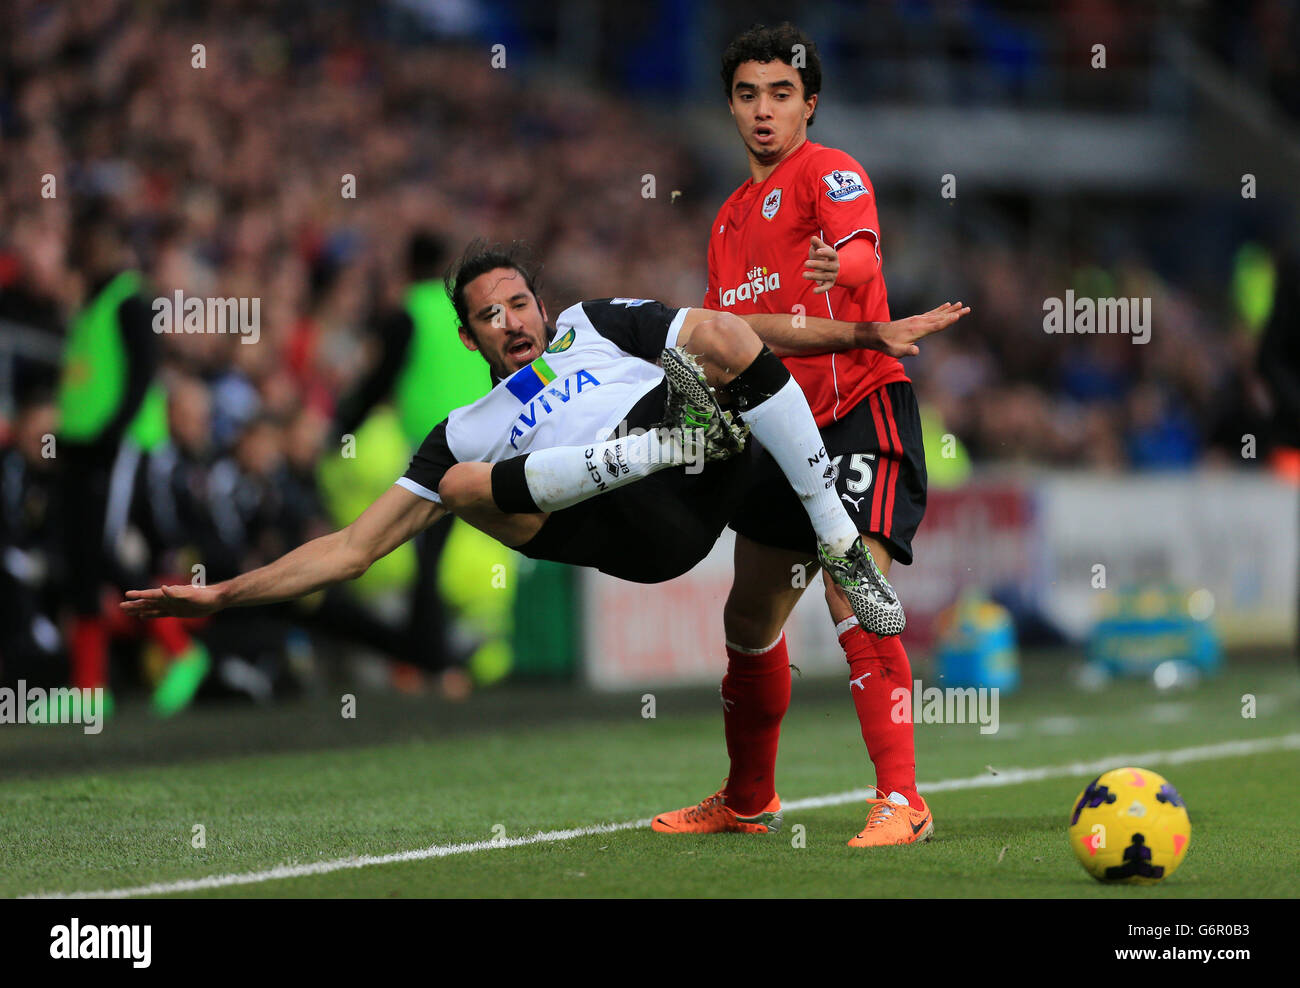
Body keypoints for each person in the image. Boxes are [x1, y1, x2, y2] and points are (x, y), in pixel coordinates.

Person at [123, 243, 966, 662]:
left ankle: (836, 538)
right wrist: (224, 594)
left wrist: (860, 333)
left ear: (540, 301)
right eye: (491, 316)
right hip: (636, 528)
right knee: (457, 483)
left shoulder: (592, 326)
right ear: (467, 335)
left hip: (707, 464)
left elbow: (743, 334)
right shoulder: (465, 426)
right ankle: (651, 448)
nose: (513, 321)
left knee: (707, 328)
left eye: (520, 302)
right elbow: (350, 549)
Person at [651, 24, 942, 847]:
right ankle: (749, 801)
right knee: (748, 620)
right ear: (730, 107)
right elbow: (727, 339)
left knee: (855, 591)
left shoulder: (832, 171)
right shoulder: (728, 218)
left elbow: (856, 253)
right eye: (747, 94)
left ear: (809, 104)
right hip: (779, 433)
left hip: (857, 410)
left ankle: (902, 799)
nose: (764, 111)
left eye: (781, 94)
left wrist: (841, 273)